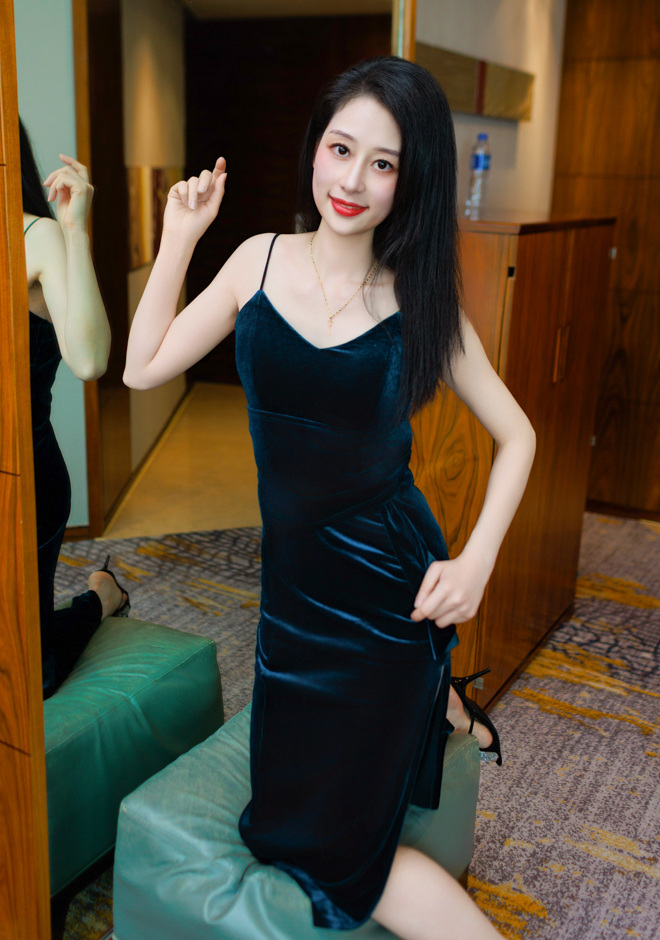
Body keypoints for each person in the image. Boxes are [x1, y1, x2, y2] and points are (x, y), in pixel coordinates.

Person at [123, 57, 536, 940]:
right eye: (340, 149)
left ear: (409, 180)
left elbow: (519, 436)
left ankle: (431, 685)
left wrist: (477, 562)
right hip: (293, 600)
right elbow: (141, 367)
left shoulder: (420, 304)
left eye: (383, 164)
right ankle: (447, 704)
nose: (351, 181)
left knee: (320, 849)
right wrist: (180, 237)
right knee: (278, 820)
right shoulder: (255, 260)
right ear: (315, 146)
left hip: (389, 593)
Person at [21, 118, 130, 699]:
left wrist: (74, 232)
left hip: (25, 480)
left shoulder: (35, 235)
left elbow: (89, 360)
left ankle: (101, 597)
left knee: (27, 676)